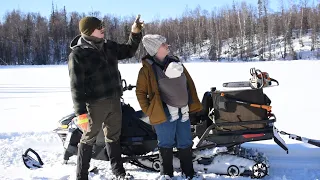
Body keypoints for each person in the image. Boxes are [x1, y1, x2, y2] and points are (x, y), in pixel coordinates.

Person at [68, 15, 143, 180]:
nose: (103, 29)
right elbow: (76, 86)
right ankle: (81, 176)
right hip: (94, 105)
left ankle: (119, 172)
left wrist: (135, 33)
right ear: (89, 31)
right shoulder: (78, 54)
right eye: (99, 27)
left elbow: (129, 50)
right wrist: (81, 114)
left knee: (113, 137)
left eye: (102, 26)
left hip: (115, 100)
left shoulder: (109, 46)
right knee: (88, 139)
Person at [135, 34, 203, 180]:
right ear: (155, 49)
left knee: (185, 141)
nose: (167, 46)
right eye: (163, 44)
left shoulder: (176, 63)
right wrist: (150, 111)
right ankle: (166, 175)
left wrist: (191, 103)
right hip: (163, 112)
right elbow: (140, 93)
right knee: (165, 143)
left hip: (182, 110)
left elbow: (188, 85)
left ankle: (189, 173)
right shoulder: (147, 70)